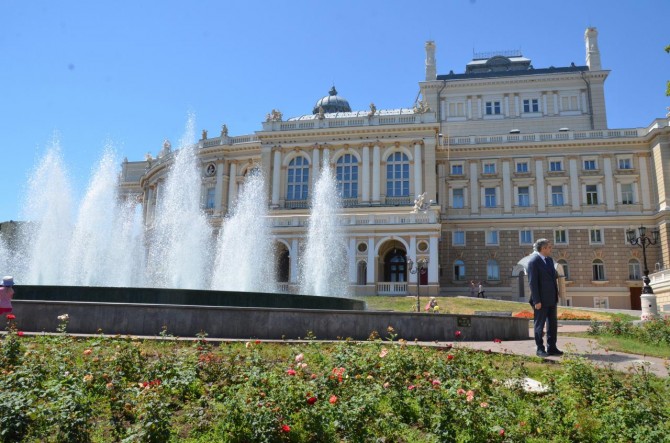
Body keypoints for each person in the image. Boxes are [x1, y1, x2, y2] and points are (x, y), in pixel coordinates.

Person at [528, 239, 563, 357]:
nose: (550, 249)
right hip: (541, 301)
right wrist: (536, 300)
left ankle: (552, 347)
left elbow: (552, 279)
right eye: (549, 247)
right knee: (539, 324)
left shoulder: (549, 260)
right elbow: (533, 283)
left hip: (552, 299)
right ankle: (540, 348)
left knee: (552, 324)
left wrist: (556, 293)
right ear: (543, 249)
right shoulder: (534, 261)